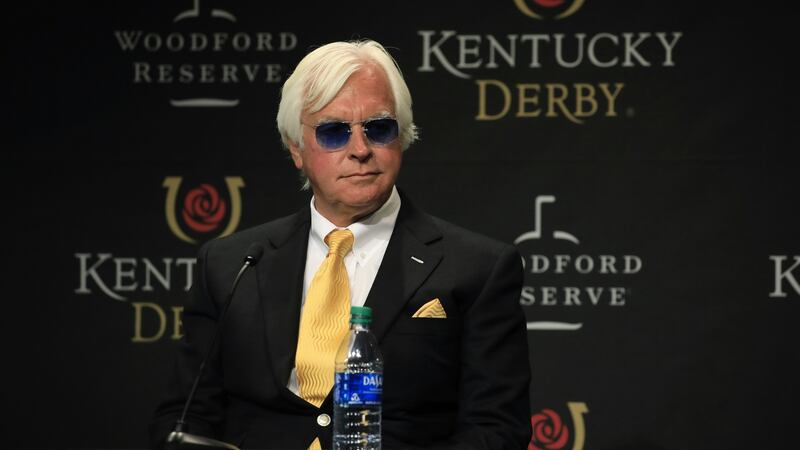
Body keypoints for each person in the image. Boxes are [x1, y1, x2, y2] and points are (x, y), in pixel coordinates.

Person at [150, 39, 531, 450]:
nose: (360, 150)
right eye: (334, 132)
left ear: (401, 137)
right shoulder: (230, 265)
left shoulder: (476, 268)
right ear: (296, 149)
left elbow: (496, 431)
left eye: (378, 128)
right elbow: (186, 418)